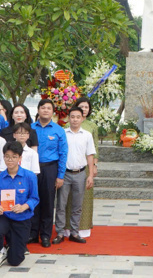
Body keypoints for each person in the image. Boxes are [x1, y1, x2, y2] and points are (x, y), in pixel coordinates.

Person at [0, 141, 40, 268]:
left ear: (20, 158)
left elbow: (34, 198)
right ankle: (0, 251)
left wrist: (24, 206)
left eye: (14, 157)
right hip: (4, 216)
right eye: (7, 156)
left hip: (22, 218)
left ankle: (13, 246)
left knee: (15, 261)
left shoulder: (29, 176)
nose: (10, 160)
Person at [54, 106, 96, 244]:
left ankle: (74, 232)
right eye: (72, 117)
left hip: (80, 173)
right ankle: (60, 233)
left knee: (77, 205)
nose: (75, 120)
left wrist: (90, 175)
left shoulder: (87, 135)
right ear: (68, 118)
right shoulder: (62, 133)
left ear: (82, 118)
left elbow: (90, 155)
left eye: (78, 117)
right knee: (61, 204)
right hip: (65, 174)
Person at [30, 99, 68, 247]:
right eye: (43, 108)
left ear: (53, 112)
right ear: (38, 110)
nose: (45, 110)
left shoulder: (58, 130)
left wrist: (60, 176)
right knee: (33, 201)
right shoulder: (31, 128)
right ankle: (33, 234)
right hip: (33, 169)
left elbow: (63, 154)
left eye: (48, 108)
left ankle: (45, 235)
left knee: (47, 202)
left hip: (50, 168)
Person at [70, 97, 99, 238]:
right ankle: (68, 228)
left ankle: (84, 227)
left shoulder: (92, 127)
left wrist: (94, 167)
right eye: (81, 107)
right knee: (69, 199)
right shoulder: (68, 126)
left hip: (86, 167)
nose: (84, 109)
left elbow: (95, 149)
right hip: (70, 167)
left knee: (85, 199)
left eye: (86, 107)